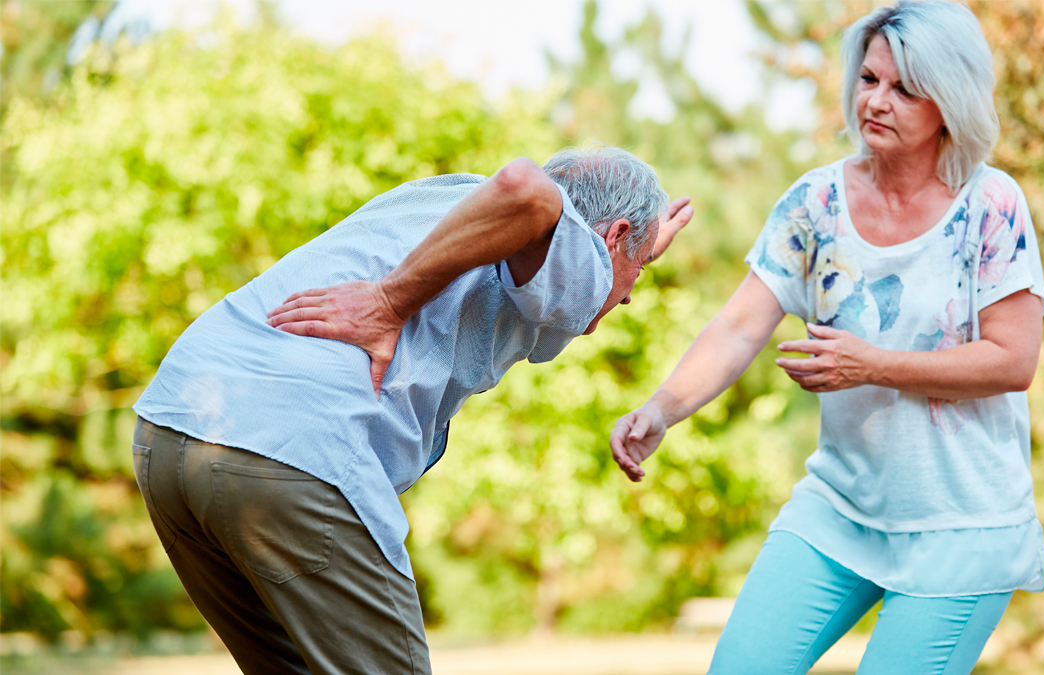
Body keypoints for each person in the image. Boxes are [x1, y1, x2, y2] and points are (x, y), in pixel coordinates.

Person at [131, 144, 692, 675]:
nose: (628, 294)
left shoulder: (440, 200)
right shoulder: (572, 240)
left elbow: (555, 252)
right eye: (639, 269)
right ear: (612, 235)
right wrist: (388, 301)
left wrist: (633, 252)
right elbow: (528, 188)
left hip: (174, 429)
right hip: (290, 451)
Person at [610, 2, 1044, 673]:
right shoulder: (814, 204)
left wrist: (872, 364)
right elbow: (738, 324)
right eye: (869, 78)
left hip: (963, 524)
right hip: (840, 510)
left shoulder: (990, 205)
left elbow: (1012, 359)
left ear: (949, 104)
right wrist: (661, 409)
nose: (876, 100)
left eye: (904, 88)